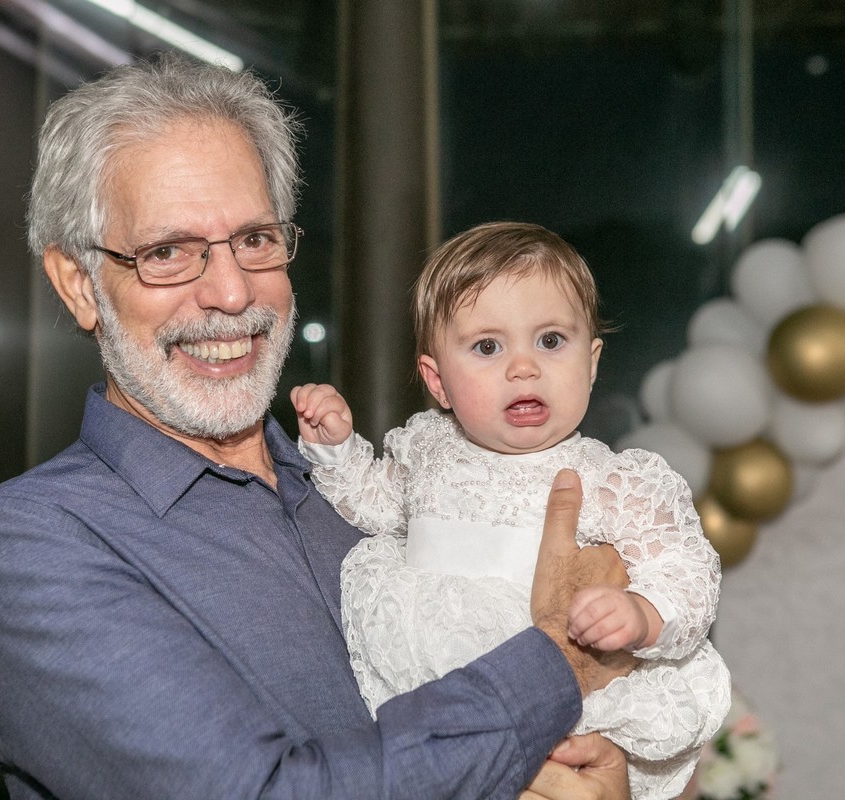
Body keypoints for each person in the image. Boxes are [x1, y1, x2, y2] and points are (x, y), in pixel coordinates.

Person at [0, 53, 636, 800]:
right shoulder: (34, 545)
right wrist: (558, 659)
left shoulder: (376, 494)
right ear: (79, 285)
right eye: (167, 252)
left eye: (254, 239)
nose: (230, 292)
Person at [290, 222, 731, 800]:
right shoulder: (428, 450)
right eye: (487, 347)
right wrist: (337, 449)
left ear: (592, 362)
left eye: (550, 340)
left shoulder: (611, 480)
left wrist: (642, 613)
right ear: (438, 382)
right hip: (432, 699)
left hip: (560, 707)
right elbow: (375, 505)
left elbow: (687, 571)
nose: (524, 367)